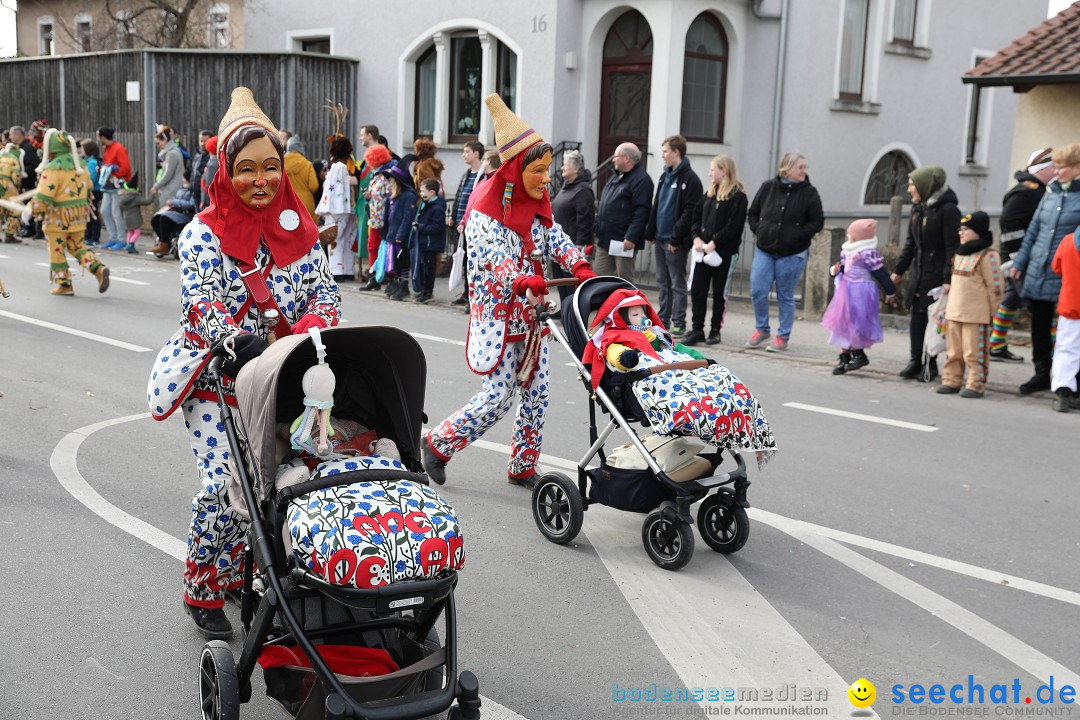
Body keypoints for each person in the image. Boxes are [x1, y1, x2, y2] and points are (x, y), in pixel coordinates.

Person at [146, 87, 340, 639]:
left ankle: (250, 572)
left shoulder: (303, 234)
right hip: (218, 378)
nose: (262, 180)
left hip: (283, 375)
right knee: (226, 484)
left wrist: (304, 335)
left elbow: (326, 300)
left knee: (296, 479)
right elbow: (203, 306)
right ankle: (203, 586)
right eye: (248, 169)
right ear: (227, 171)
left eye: (271, 168)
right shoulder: (201, 234)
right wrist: (242, 344)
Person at [423, 93, 596, 489]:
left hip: (533, 318)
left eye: (549, 169)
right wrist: (519, 279)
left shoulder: (537, 204)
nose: (547, 178)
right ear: (517, 169)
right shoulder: (485, 211)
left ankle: (522, 465)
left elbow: (556, 239)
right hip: (499, 320)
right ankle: (437, 443)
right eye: (539, 170)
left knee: (538, 396)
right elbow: (493, 258)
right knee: (498, 396)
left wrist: (581, 265)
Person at [1009, 143, 1080, 394]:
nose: (1057, 171)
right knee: (1039, 326)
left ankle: (1071, 380)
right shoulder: (1050, 195)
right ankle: (1041, 373)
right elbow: (1033, 232)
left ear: (1077, 168)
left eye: (1063, 167)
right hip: (1040, 269)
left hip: (1069, 274)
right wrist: (1019, 263)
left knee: (1070, 330)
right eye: (1056, 167)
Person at [746, 151, 824, 352]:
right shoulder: (768, 187)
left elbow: (817, 221)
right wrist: (760, 231)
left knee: (785, 295)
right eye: (800, 167)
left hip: (793, 252)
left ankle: (782, 336)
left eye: (805, 167)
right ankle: (762, 329)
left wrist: (797, 235)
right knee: (758, 290)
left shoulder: (809, 193)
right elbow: (753, 213)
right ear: (786, 168)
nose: (804, 171)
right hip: (765, 249)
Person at [889, 165, 960, 380]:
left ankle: (931, 363)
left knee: (933, 319)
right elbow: (911, 243)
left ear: (926, 186)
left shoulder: (948, 210)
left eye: (912, 185)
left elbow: (952, 247)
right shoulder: (918, 208)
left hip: (937, 274)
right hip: (920, 271)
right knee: (917, 317)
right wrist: (899, 271)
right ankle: (914, 361)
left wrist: (948, 278)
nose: (909, 189)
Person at [990, 148, 1055, 363]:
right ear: (1043, 170)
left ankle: (996, 345)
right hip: (1019, 259)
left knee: (1012, 298)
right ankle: (1055, 352)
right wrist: (1019, 256)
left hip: (1021, 258)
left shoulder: (1037, 190)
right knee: (1039, 305)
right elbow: (1009, 223)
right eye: (1053, 167)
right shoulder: (1027, 192)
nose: (1056, 172)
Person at [28, 129, 110, 296]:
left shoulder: (53, 169)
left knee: (56, 250)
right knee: (77, 246)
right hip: (78, 216)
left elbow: (44, 196)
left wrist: (33, 209)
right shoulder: (81, 166)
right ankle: (97, 268)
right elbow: (89, 189)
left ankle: (64, 284)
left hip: (57, 219)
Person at [935, 212, 1003, 398]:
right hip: (955, 312)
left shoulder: (988, 255)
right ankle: (951, 380)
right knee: (954, 352)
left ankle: (976, 383)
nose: (961, 233)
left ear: (978, 232)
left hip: (976, 314)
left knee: (974, 352)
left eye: (966, 229)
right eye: (960, 229)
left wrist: (993, 311)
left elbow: (995, 287)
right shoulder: (959, 253)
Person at [684, 155, 747, 347]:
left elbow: (734, 226)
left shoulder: (738, 196)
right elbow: (696, 216)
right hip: (703, 251)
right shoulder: (709, 193)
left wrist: (715, 242)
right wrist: (695, 237)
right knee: (698, 290)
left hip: (723, 254)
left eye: (713, 169)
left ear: (724, 171)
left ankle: (715, 330)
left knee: (719, 293)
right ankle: (697, 329)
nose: (710, 173)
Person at [821, 219, 897, 374]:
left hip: (861, 291)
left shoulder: (867, 253)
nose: (848, 235)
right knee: (843, 323)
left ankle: (858, 354)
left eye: (851, 233)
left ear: (857, 237)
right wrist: (835, 271)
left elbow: (880, 273)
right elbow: (843, 268)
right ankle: (845, 357)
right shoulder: (847, 251)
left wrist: (890, 291)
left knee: (855, 323)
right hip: (845, 290)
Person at [645, 135, 702, 335]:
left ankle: (679, 322)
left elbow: (689, 212)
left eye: (665, 152)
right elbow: (657, 204)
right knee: (662, 282)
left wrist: (676, 238)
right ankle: (663, 320)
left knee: (677, 283)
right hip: (660, 237)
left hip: (674, 241)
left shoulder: (690, 179)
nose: (662, 156)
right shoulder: (664, 176)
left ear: (676, 152)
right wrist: (650, 232)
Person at [593, 143, 653, 282]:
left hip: (623, 241)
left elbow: (642, 211)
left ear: (626, 158)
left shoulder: (642, 180)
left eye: (616, 156)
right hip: (605, 239)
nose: (613, 160)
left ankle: (625, 305)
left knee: (623, 282)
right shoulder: (616, 177)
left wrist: (632, 236)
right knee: (598, 279)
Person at [550, 149, 595, 306]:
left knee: (570, 283)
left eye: (565, 164)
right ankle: (564, 308)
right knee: (561, 282)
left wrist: (579, 245)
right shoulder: (567, 186)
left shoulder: (583, 190)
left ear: (576, 168)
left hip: (572, 245)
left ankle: (572, 312)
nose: (562, 167)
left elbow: (585, 220)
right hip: (558, 245)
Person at [315, 135, 360, 282]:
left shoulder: (335, 168)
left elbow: (330, 189)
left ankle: (336, 270)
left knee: (334, 239)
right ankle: (348, 270)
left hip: (335, 208)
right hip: (348, 208)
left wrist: (323, 207)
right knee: (347, 238)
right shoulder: (349, 166)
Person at [448, 140, 485, 305]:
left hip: (474, 225)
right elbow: (459, 195)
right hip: (461, 224)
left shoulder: (482, 176)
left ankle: (472, 293)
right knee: (462, 259)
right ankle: (465, 291)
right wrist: (454, 215)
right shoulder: (466, 174)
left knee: (472, 259)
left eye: (467, 151)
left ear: (476, 153)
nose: (464, 155)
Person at [378, 156, 418, 301]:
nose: (390, 183)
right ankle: (394, 283)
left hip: (400, 237)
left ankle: (403, 287)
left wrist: (400, 235)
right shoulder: (392, 197)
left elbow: (407, 218)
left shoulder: (408, 197)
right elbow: (387, 217)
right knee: (393, 262)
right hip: (391, 234)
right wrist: (385, 232)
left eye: (393, 180)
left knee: (402, 263)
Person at [1049, 227, 1080, 412]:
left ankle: (1063, 393)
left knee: (1066, 350)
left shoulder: (1068, 240)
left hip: (1071, 304)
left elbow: (1056, 267)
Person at [360, 143, 394, 291]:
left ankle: (378, 276)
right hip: (376, 218)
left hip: (381, 219)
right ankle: (375, 275)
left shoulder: (384, 176)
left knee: (377, 247)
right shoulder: (378, 176)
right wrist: (368, 196)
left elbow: (387, 197)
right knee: (373, 247)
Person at [411, 177, 447, 304]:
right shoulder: (425, 204)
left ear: (432, 192)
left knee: (429, 269)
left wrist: (421, 228)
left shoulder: (436, 208)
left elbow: (438, 227)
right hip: (425, 242)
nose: (421, 194)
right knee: (424, 267)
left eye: (423, 191)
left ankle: (428, 292)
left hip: (431, 243)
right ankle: (423, 291)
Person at [96, 127, 132, 250]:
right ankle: (113, 238)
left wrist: (112, 173)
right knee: (105, 211)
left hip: (117, 184)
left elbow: (125, 168)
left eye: (98, 136)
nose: (97, 138)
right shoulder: (107, 148)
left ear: (103, 137)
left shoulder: (119, 148)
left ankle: (121, 240)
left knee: (116, 213)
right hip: (108, 184)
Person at [149, 180, 197, 258]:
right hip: (176, 211)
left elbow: (191, 204)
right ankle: (163, 241)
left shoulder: (193, 191)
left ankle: (164, 243)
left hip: (186, 214)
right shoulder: (181, 189)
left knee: (164, 218)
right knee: (156, 218)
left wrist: (174, 202)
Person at [284, 136, 319, 221]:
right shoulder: (307, 164)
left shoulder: (281, 165)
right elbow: (314, 186)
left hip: (287, 202)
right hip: (306, 204)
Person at [118, 176, 152, 254]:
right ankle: (131, 244)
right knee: (137, 232)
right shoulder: (135, 197)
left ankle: (128, 244)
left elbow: (120, 208)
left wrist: (122, 216)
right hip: (135, 217)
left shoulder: (122, 197)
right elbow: (147, 202)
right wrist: (152, 195)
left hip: (126, 217)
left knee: (130, 231)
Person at [0, 143, 25, 243]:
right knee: (15, 209)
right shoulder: (14, 159)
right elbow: (16, 176)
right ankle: (9, 234)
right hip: (7, 186)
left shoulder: (0, 156)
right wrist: (17, 186)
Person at [80, 139, 103, 247]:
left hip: (93, 191)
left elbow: (91, 177)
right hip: (89, 190)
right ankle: (88, 235)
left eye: (83, 148)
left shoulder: (92, 162)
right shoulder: (87, 161)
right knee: (88, 214)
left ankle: (94, 237)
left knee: (93, 214)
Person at [190, 130, 213, 209]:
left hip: (204, 195)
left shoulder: (212, 157)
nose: (203, 144)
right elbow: (193, 172)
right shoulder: (197, 155)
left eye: (205, 141)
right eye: (201, 141)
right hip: (195, 191)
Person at [198, 135, 219, 212]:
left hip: (208, 201)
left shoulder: (212, 163)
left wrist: (204, 202)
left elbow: (209, 185)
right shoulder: (215, 161)